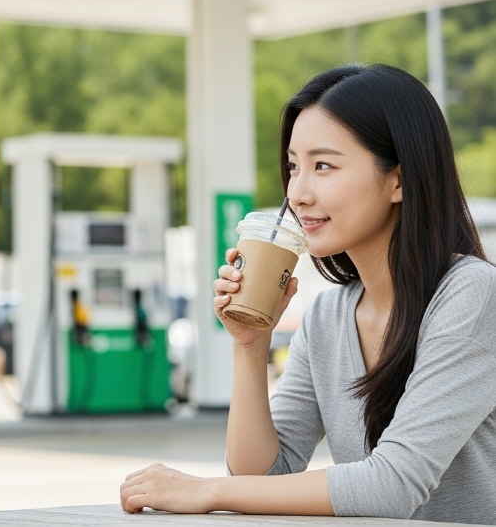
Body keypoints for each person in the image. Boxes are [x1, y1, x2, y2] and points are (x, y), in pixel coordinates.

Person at [120, 64, 496, 523]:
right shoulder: (329, 314)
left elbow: (394, 486)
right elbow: (263, 480)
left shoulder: (471, 295)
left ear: (398, 179)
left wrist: (204, 491)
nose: (297, 193)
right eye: (293, 166)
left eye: (324, 166)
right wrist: (250, 344)